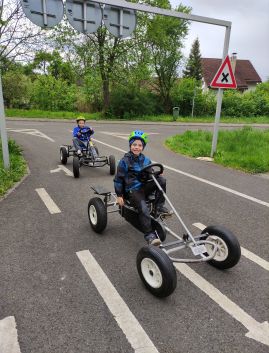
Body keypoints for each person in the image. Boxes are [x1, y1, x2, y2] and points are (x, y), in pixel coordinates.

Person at [114, 130, 169, 246]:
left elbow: (150, 173)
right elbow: (118, 180)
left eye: (139, 145)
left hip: (144, 186)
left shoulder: (146, 160)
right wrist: (119, 195)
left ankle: (158, 207)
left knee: (161, 180)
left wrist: (156, 175)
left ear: (143, 147)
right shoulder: (124, 161)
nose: (137, 147)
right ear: (130, 145)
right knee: (143, 208)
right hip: (132, 190)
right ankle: (149, 235)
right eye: (134, 145)